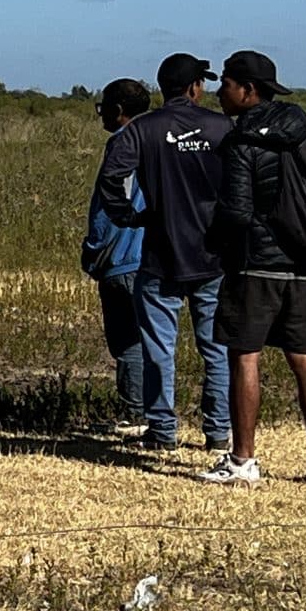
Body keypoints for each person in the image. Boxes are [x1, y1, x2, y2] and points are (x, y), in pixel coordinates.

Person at [208, 50, 306, 486]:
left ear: (248, 90)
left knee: (245, 357)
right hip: (304, 263)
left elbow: (237, 212)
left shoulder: (243, 141)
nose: (219, 92)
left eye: (226, 84)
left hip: (256, 266)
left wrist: (213, 242)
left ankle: (242, 460)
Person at [95, 52, 233, 458]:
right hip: (212, 256)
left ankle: (162, 429)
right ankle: (219, 432)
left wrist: (129, 216)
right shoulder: (222, 127)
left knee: (159, 347)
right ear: (195, 88)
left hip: (160, 255)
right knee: (216, 348)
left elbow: (111, 177)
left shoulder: (143, 129)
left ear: (162, 87)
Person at [80, 79, 151, 435]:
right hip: (153, 255)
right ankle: (157, 414)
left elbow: (108, 207)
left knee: (127, 340)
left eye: (104, 107)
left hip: (122, 257)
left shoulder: (121, 145)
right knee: (152, 338)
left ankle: (136, 413)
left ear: (118, 110)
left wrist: (94, 250)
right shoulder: (158, 139)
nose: (101, 114)